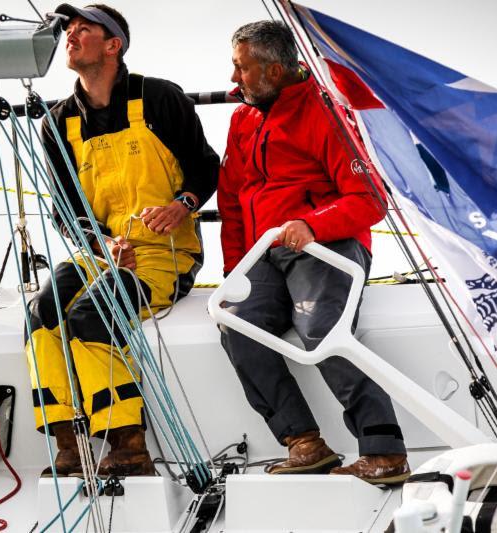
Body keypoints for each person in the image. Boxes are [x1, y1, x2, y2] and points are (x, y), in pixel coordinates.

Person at [26, 3, 219, 477]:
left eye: (83, 29)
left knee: (94, 314)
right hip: (104, 253)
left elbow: (205, 166)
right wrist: (103, 245)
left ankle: (128, 446)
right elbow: (67, 211)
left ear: (113, 45)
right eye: (68, 30)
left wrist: (183, 205)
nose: (70, 36)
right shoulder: (56, 123)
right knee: (41, 312)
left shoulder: (159, 98)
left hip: (167, 256)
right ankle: (68, 442)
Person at [218, 20, 410, 485]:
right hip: (263, 255)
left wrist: (311, 224)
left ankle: (384, 450)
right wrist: (233, 271)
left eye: (242, 68)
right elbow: (232, 201)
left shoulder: (326, 111)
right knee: (235, 323)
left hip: (327, 247)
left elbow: (370, 200)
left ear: (277, 70)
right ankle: (304, 443)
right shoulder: (242, 119)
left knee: (323, 331)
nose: (233, 79)